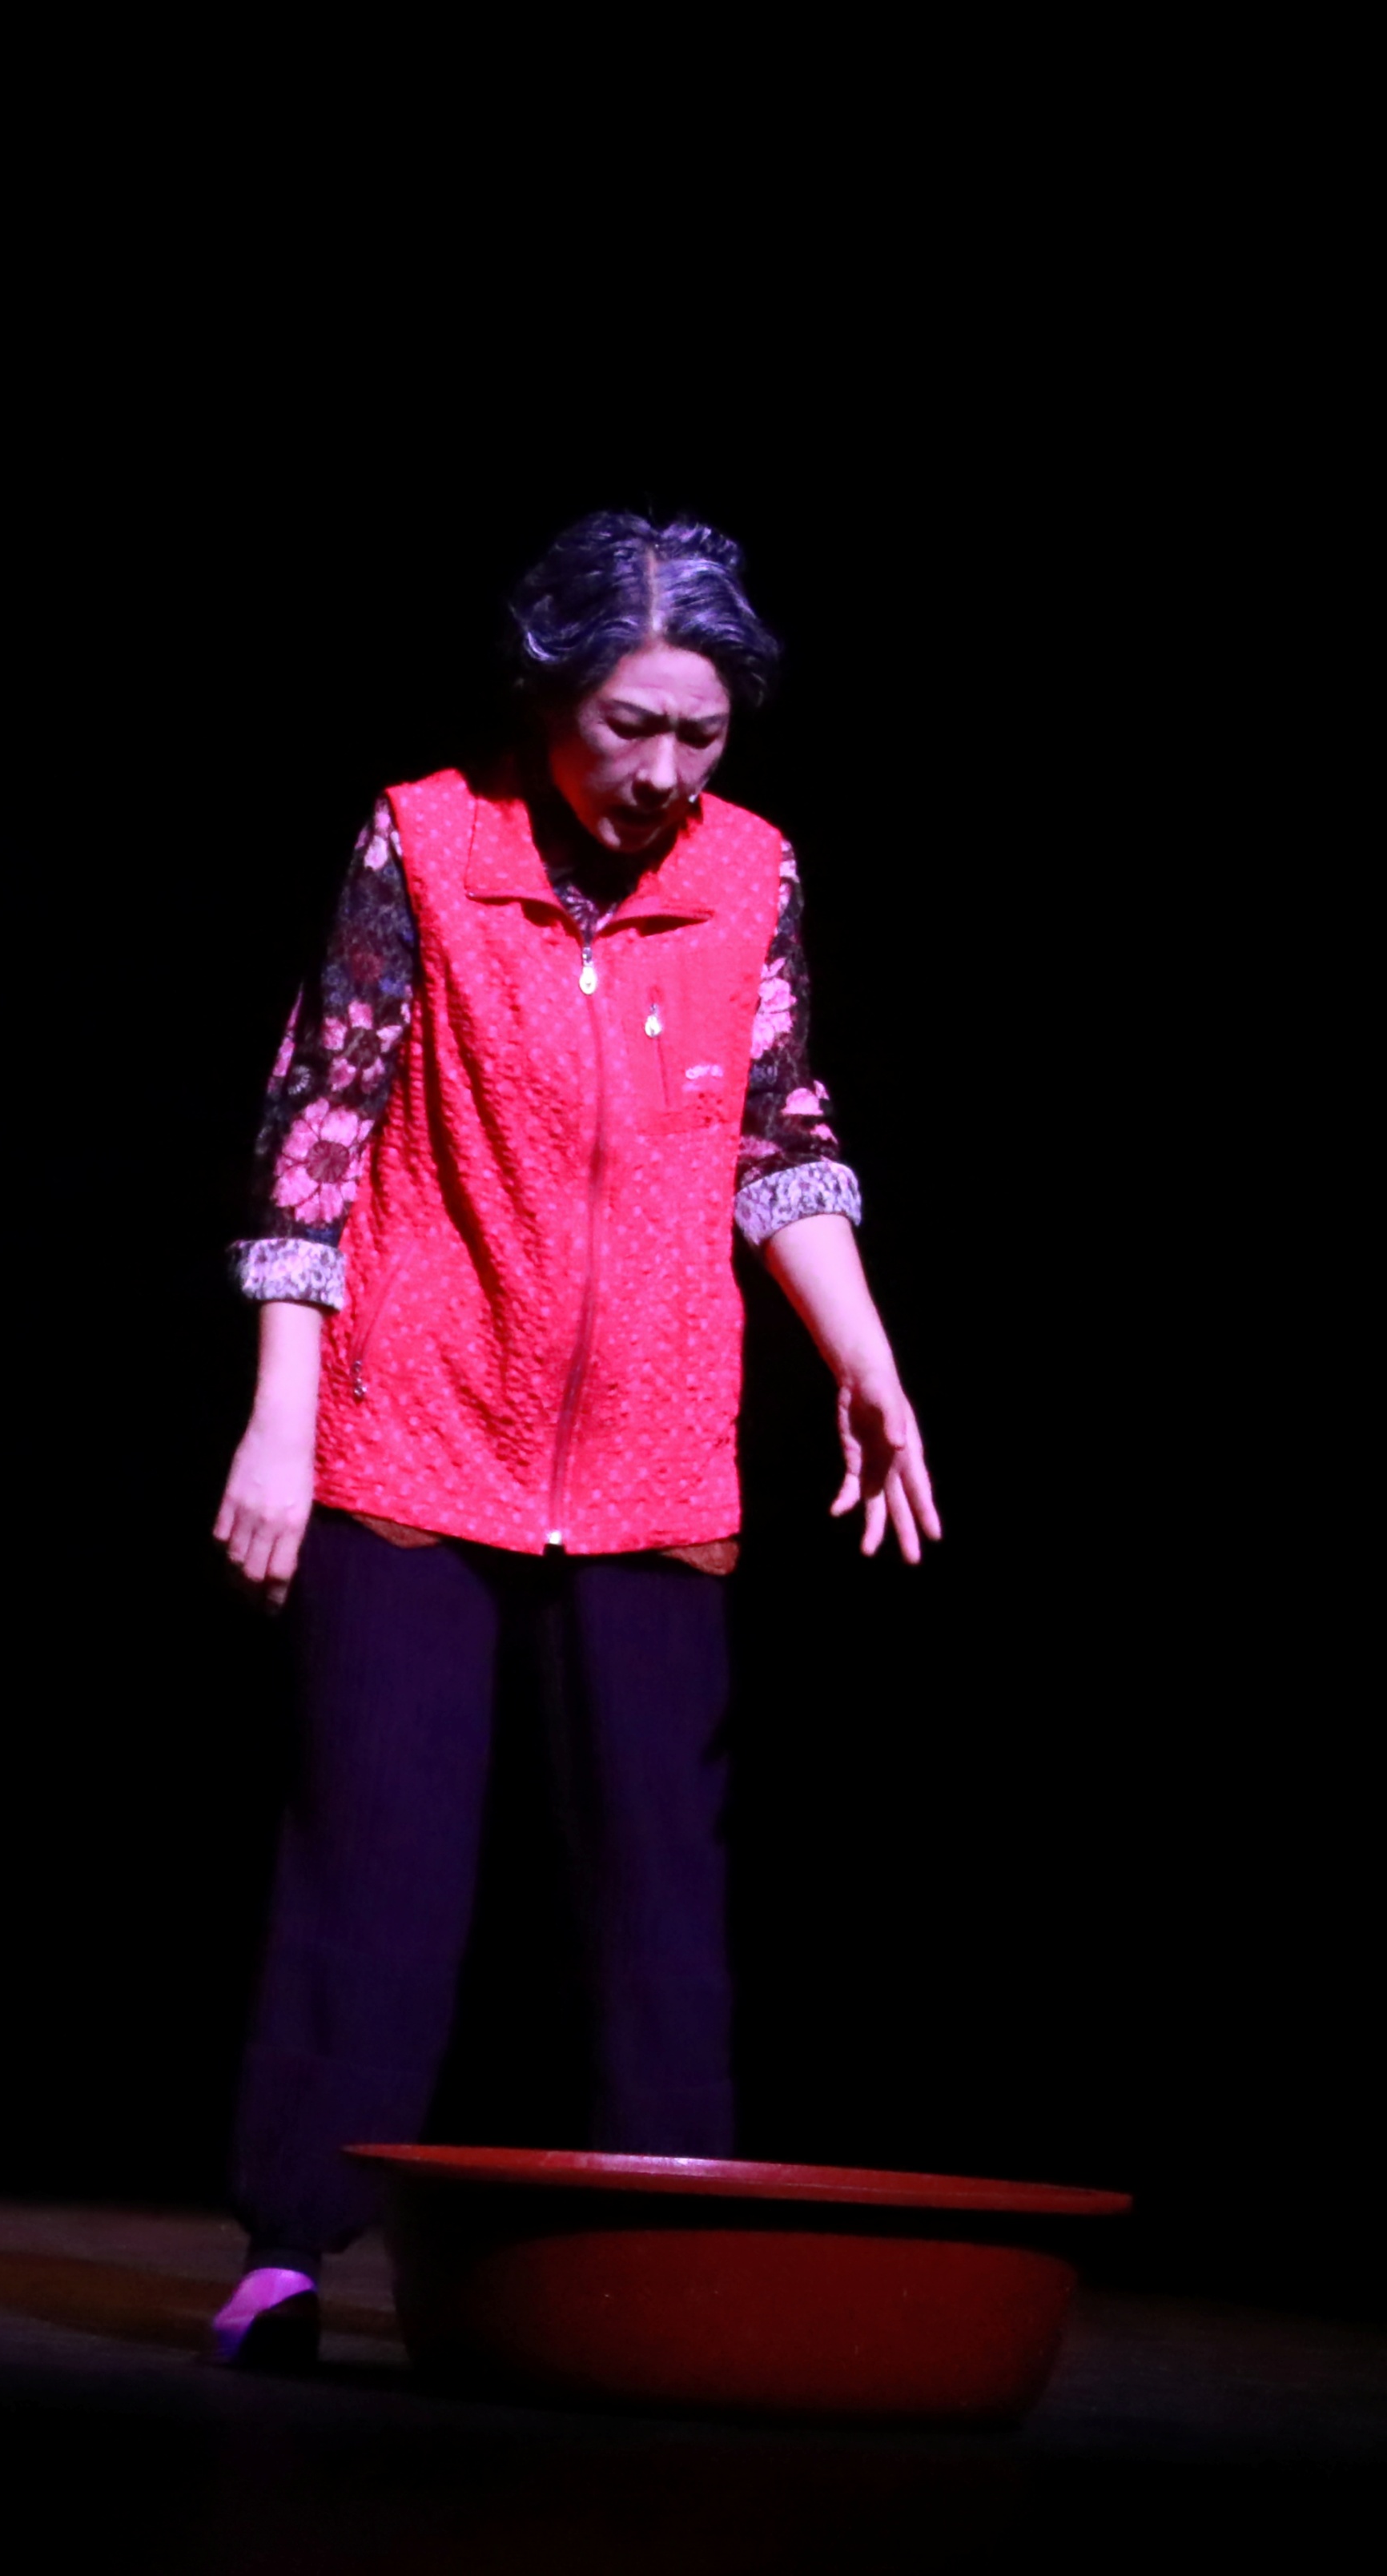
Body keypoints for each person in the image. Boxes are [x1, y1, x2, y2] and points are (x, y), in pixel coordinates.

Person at [200, 512, 943, 2368]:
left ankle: (666, 2255)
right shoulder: (426, 841)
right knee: (375, 1858)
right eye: (630, 725)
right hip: (413, 1421)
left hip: (655, 1445)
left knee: (655, 1890)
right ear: (548, 701)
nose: (665, 770)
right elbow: (318, 1123)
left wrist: (862, 1355)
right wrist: (281, 1419)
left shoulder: (750, 869)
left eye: (702, 732)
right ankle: (288, 2247)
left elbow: (779, 1129)